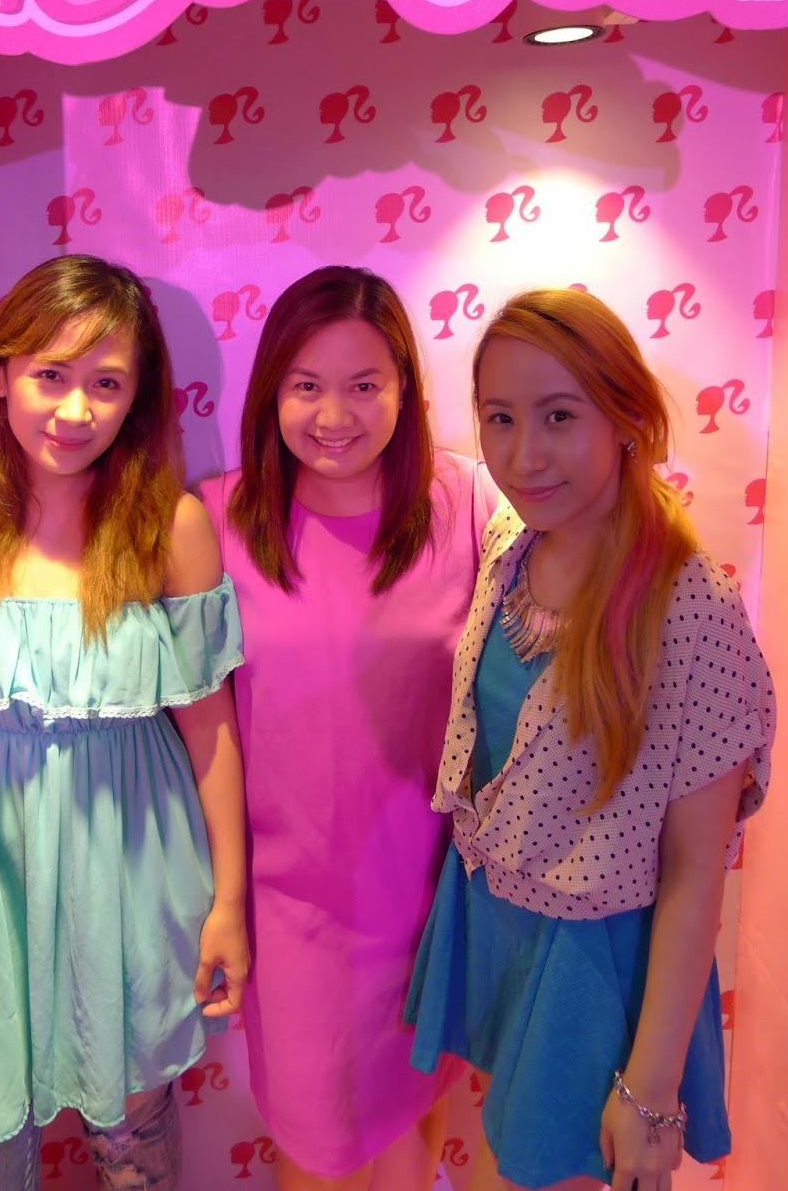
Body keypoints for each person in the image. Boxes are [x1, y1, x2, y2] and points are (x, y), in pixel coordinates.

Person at [0, 255, 248, 1190]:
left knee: (133, 1144)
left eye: (106, 385)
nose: (76, 411)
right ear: (1, 374)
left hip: (132, 872)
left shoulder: (169, 529)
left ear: (136, 399)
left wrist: (229, 905)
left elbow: (210, 732)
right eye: (51, 375)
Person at [406, 288, 776, 1191]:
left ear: (625, 419)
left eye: (560, 416)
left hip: (596, 974)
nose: (523, 455)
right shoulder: (512, 545)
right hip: (501, 927)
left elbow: (695, 875)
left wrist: (648, 1093)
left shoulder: (689, 608)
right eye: (500, 417)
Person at [199, 265, 499, 1191]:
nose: (335, 415)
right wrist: (223, 901)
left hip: (434, 895)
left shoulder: (468, 503)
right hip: (291, 906)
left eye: (365, 384)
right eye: (307, 385)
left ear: (405, 387)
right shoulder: (215, 520)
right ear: (271, 392)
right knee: (317, 1145)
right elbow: (204, 729)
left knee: (413, 1130)